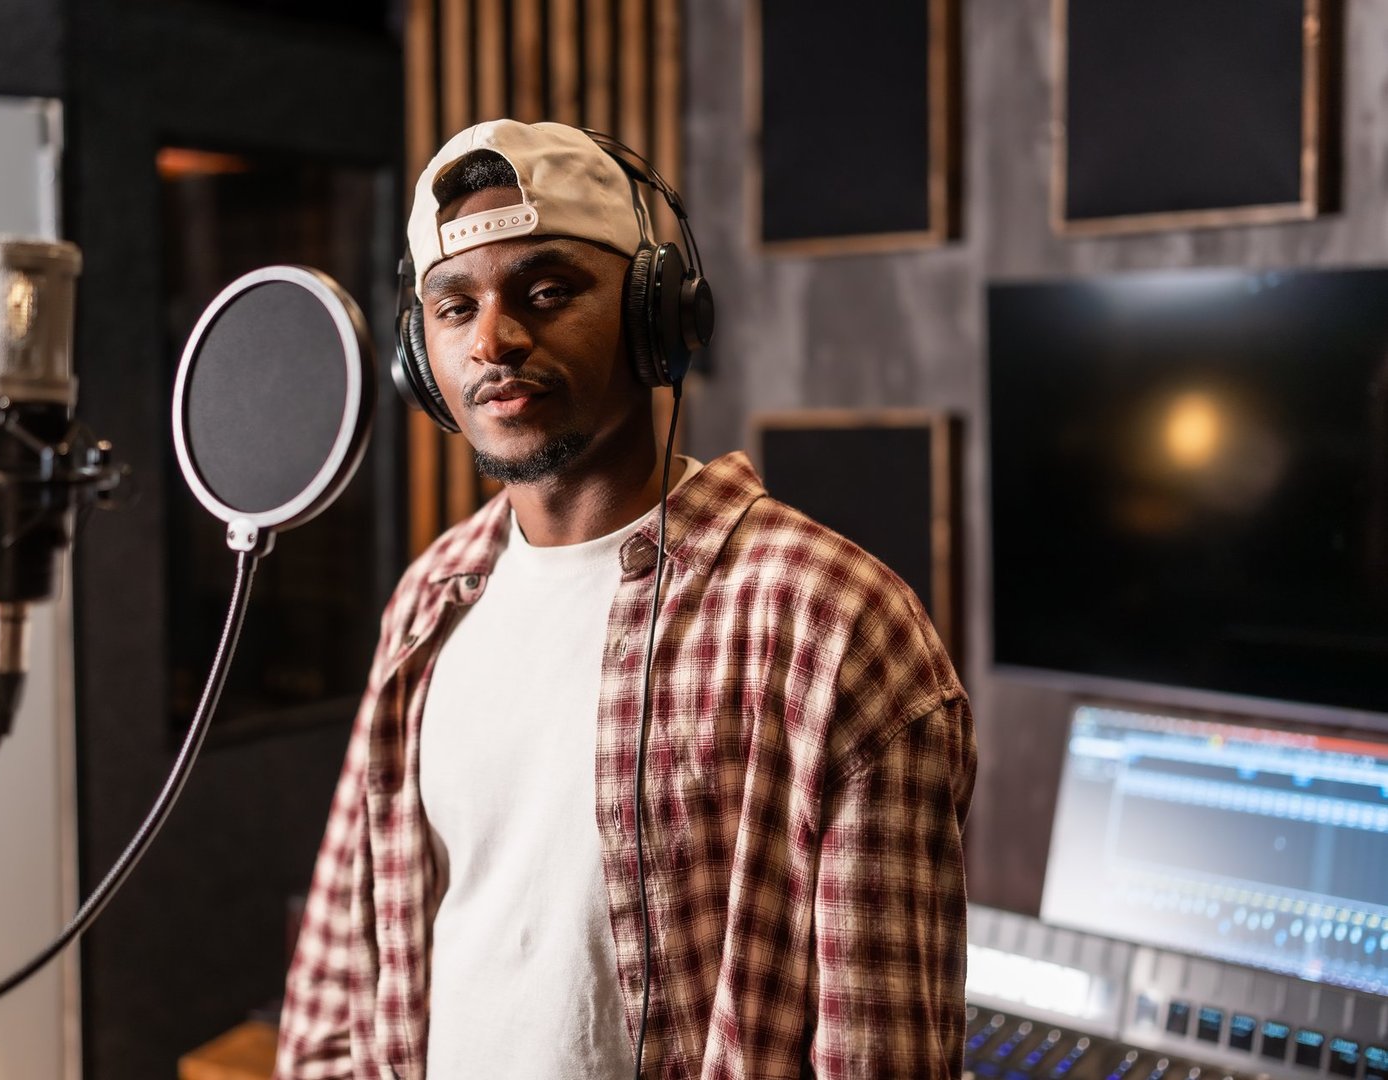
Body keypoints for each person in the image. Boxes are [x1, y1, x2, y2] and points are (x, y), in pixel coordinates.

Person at [275, 118, 976, 1080]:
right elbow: (338, 984)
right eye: (452, 307)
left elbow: (881, 1058)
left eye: (548, 291)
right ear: (418, 358)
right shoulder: (429, 602)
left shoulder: (833, 625)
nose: (494, 339)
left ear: (658, 316)